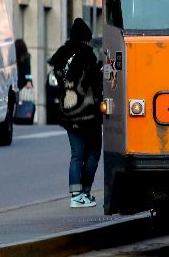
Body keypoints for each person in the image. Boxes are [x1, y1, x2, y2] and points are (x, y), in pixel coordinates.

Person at [49, 18, 103, 208]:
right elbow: (96, 85)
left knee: (76, 154)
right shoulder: (88, 56)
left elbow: (57, 82)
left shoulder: (61, 56)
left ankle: (75, 195)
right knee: (94, 151)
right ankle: (85, 192)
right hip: (88, 114)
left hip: (68, 113)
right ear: (86, 39)